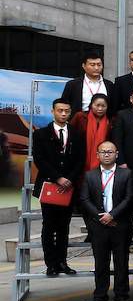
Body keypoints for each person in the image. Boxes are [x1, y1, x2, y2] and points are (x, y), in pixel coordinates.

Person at [32, 98, 83, 277]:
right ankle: (51, 264)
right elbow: (39, 159)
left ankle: (62, 262)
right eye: (60, 110)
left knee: (64, 226)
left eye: (66, 111)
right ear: (52, 111)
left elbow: (80, 160)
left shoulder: (76, 133)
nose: (63, 114)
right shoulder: (41, 134)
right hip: (49, 185)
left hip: (68, 187)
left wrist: (69, 179)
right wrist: (57, 177)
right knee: (48, 226)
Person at [80, 141, 133, 301]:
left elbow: (129, 198)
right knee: (100, 263)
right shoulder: (89, 175)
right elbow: (85, 199)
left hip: (120, 224)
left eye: (110, 152)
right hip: (98, 226)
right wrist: (100, 217)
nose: (106, 154)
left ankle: (122, 295)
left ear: (116, 154)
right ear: (97, 155)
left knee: (121, 262)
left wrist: (112, 215)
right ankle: (100, 295)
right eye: (103, 152)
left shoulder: (127, 174)